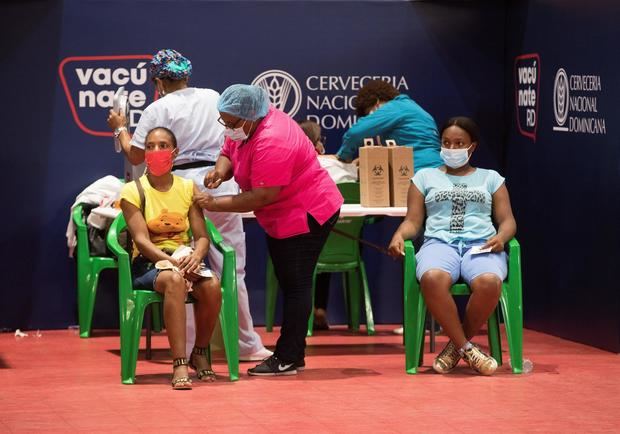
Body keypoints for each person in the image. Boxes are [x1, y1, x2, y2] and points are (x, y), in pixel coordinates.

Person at [107, 49, 271, 362]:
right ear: (187, 76)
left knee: (184, 265)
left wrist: (120, 128)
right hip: (220, 182)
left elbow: (136, 155)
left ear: (157, 80)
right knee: (232, 270)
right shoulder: (213, 96)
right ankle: (248, 346)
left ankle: (187, 347)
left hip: (181, 189)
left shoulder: (158, 107)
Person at [194, 84, 343, 376]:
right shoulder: (245, 122)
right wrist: (220, 171)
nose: (227, 126)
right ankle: (292, 353)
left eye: (231, 122)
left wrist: (213, 203)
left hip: (307, 212)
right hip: (283, 215)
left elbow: (262, 196)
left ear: (249, 117)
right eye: (223, 120)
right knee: (290, 281)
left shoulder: (274, 139)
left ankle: (288, 357)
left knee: (296, 284)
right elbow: (228, 148)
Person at [388, 116, 516, 376]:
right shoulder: (423, 178)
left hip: (481, 244)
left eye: (459, 143)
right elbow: (413, 221)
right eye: (447, 143)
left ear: (473, 147)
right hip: (440, 244)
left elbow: (507, 220)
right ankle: (468, 349)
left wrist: (501, 237)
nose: (452, 148)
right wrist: (400, 234)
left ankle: (456, 347)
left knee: (490, 282)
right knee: (432, 278)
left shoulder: (491, 179)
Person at [120, 127, 221, 389]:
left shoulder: (188, 188)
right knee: (174, 281)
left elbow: (201, 236)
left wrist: (197, 255)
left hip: (184, 257)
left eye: (162, 145)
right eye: (150, 146)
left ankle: (199, 353)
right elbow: (141, 241)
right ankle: (179, 363)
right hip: (148, 263)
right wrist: (174, 265)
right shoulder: (132, 191)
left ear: (174, 153)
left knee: (211, 285)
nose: (155, 151)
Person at [298, 119, 357, 330]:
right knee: (329, 238)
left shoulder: (292, 167)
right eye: (320, 139)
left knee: (317, 246)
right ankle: (320, 309)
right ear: (316, 143)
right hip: (343, 243)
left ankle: (314, 311)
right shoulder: (340, 167)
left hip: (302, 240)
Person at [335, 79, 442, 172]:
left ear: (376, 103)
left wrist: (344, 157)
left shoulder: (394, 107)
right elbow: (410, 144)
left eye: (370, 113)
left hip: (418, 171)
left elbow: (354, 133)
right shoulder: (416, 109)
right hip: (438, 168)